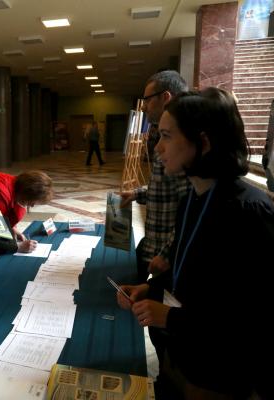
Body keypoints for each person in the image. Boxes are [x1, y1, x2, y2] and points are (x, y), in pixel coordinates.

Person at [116, 88, 274, 399]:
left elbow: (252, 316)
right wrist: (153, 287)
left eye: (166, 136)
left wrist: (169, 317)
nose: (158, 147)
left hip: (219, 373)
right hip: (182, 353)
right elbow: (192, 270)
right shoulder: (192, 196)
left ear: (203, 142)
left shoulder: (249, 213)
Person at [120, 71, 191, 282]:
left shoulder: (183, 145)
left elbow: (190, 210)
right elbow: (165, 189)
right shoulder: (168, 136)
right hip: (154, 245)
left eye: (147, 100)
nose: (143, 106)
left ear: (165, 97)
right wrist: (136, 194)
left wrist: (167, 253)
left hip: (164, 257)